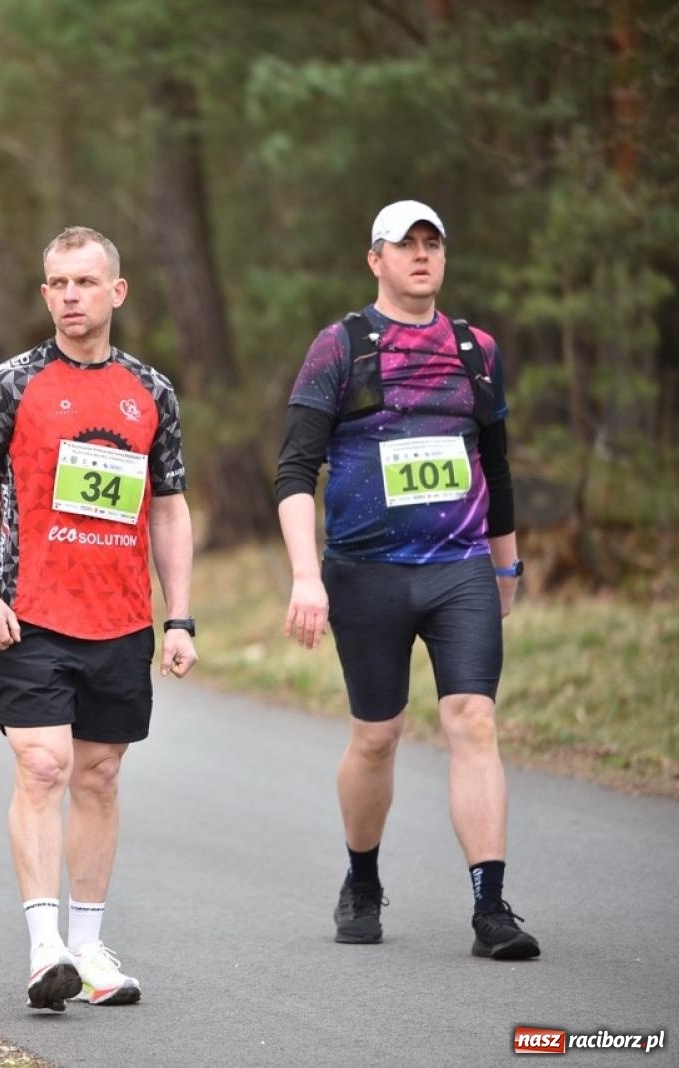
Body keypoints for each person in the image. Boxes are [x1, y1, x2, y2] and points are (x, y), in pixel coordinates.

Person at [0, 227, 197, 1012]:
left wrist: (179, 617)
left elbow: (170, 506)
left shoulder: (150, 392)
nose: (70, 296)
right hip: (31, 614)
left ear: (116, 291)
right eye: (57, 283)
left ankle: (87, 949)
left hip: (119, 619)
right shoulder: (13, 383)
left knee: (100, 775)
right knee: (43, 766)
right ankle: (44, 945)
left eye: (85, 282)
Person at [274, 200, 538, 960]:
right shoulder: (342, 347)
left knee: (473, 719)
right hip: (364, 575)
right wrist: (304, 576)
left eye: (433, 244)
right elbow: (295, 469)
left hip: (458, 569)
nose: (421, 255)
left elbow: (495, 464)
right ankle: (362, 878)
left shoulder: (475, 349)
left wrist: (506, 562)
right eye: (405, 245)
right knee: (378, 737)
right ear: (376, 260)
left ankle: (491, 908)